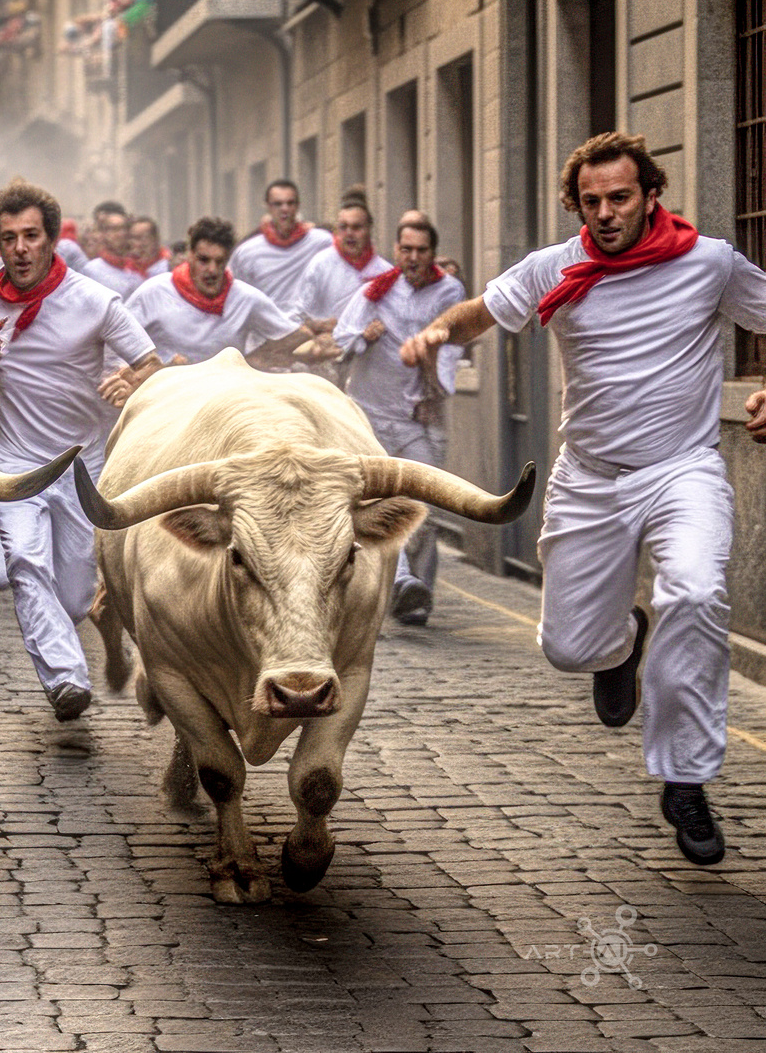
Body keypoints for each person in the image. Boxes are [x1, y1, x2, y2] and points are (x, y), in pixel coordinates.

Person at [405, 131, 766, 866]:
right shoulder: (555, 267)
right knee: (567, 647)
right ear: (576, 204)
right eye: (590, 201)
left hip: (680, 469)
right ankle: (617, 646)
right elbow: (482, 310)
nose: (605, 213)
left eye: (619, 198)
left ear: (649, 195)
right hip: (589, 478)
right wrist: (440, 330)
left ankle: (684, 777)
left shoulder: (709, 262)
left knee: (695, 595)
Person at [0, 179, 161, 722]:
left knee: (72, 598)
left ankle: (67, 638)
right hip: (13, 463)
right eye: (9, 238)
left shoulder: (95, 300)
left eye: (30, 236)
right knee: (24, 562)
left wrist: (130, 382)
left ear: (51, 240)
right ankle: (67, 681)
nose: (20, 248)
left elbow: (151, 368)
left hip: (82, 468)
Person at [333, 217, 464, 626]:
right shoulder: (375, 292)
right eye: (405, 250)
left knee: (424, 510)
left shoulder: (450, 291)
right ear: (396, 250)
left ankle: (416, 594)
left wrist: (434, 389)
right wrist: (363, 338)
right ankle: (403, 583)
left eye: (421, 250)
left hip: (415, 420)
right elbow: (342, 337)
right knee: (381, 507)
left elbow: (451, 349)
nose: (412, 258)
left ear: (432, 253)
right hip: (369, 416)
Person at [124, 217, 319, 368]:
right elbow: (119, 340)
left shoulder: (245, 298)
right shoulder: (153, 292)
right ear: (189, 255)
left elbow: (294, 335)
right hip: (170, 401)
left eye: (220, 262)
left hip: (226, 403)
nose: (212, 270)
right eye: (204, 260)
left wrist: (253, 361)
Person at [292, 189, 391, 337]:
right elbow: (298, 316)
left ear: (369, 228)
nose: (349, 233)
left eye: (356, 227)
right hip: (327, 355)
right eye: (343, 227)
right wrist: (320, 326)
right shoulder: (320, 265)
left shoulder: (384, 272)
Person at [229, 178, 333, 307]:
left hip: (310, 324)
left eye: (290, 203)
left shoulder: (322, 242)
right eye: (278, 204)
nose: (285, 209)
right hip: (267, 325)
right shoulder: (246, 252)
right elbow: (233, 295)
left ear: (298, 205)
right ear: (267, 207)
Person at [82, 200, 146, 300]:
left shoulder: (139, 267)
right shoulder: (91, 270)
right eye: (114, 229)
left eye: (124, 228)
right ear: (104, 233)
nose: (120, 234)